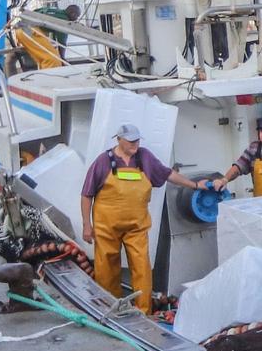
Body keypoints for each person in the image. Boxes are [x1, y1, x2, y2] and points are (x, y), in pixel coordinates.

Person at [79, 124, 212, 313]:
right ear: (119, 140)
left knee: (142, 268)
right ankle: (109, 310)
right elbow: (86, 194)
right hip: (106, 227)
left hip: (136, 227)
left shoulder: (144, 157)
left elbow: (168, 174)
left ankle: (144, 312)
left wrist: (194, 185)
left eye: (137, 140)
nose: (135, 144)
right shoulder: (103, 161)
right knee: (106, 269)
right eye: (131, 141)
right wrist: (87, 225)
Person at [214, 116, 262, 198]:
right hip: (260, 201)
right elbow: (239, 166)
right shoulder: (254, 148)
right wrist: (225, 180)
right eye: (261, 131)